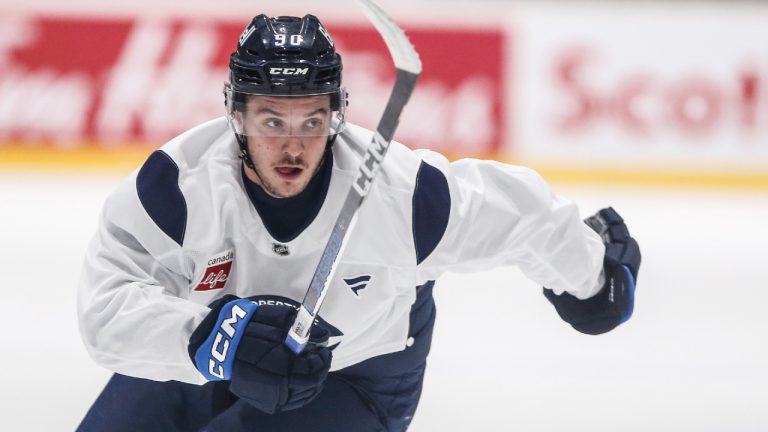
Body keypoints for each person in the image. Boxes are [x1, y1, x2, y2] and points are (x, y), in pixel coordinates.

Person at [76, 13, 641, 432]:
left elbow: (520, 213)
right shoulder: (175, 190)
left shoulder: (405, 197)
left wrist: (595, 283)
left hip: (354, 377)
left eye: (311, 119)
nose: (292, 145)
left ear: (336, 115)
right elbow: (106, 309)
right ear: (236, 115)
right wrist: (207, 340)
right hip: (209, 362)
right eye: (272, 119)